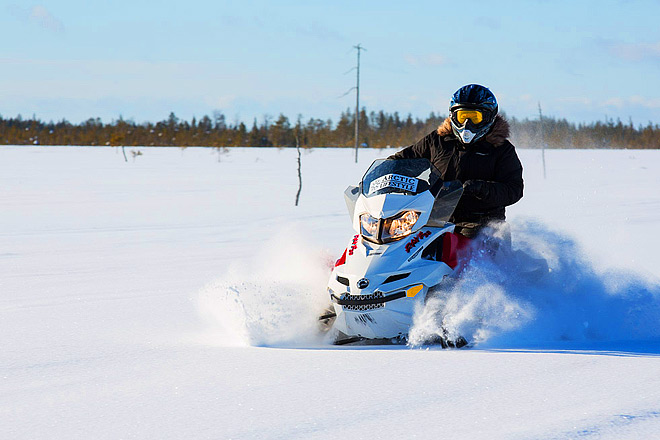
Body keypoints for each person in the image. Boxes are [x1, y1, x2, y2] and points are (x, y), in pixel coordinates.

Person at [390, 84, 523, 240]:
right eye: (462, 116)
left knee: (465, 256)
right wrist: (384, 174)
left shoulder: (501, 149)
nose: (468, 124)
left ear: (489, 117)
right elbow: (403, 159)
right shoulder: (438, 140)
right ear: (453, 116)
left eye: (474, 117)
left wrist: (482, 188)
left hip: (480, 222)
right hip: (434, 217)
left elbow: (514, 189)